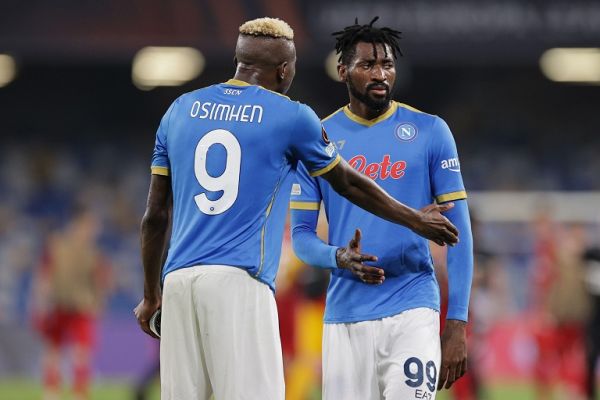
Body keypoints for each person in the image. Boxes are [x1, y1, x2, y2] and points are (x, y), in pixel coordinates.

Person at [134, 17, 459, 400]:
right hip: (240, 282)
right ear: (285, 69)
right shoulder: (290, 115)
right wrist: (414, 218)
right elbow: (347, 183)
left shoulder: (180, 109)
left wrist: (151, 293)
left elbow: (155, 216)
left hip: (178, 281)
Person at [290, 17, 473, 400]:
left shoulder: (430, 131)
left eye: (387, 64)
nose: (380, 74)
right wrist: (337, 256)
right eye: (367, 65)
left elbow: (460, 233)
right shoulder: (318, 139)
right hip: (345, 315)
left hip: (413, 307)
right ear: (343, 71)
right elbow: (302, 237)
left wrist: (456, 321)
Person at [32, 208, 111, 400]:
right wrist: (40, 304)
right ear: (78, 224)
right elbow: (44, 276)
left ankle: (79, 393)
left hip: (81, 307)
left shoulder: (93, 252)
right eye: (89, 226)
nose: (92, 231)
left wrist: (98, 302)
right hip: (57, 304)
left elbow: (100, 281)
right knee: (53, 350)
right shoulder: (57, 245)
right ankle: (51, 392)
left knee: (81, 352)